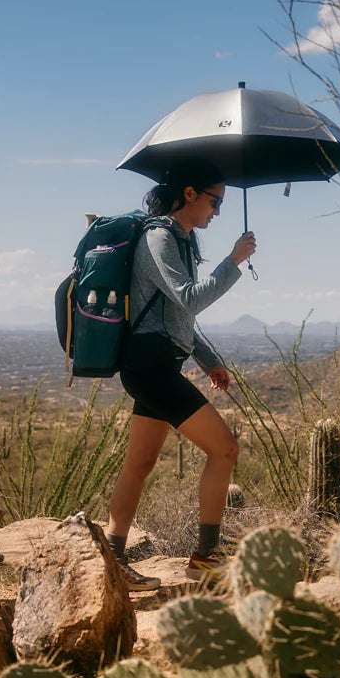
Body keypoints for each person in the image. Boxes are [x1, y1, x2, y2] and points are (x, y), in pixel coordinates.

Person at [105, 158, 256, 590]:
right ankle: (206, 560)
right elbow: (190, 299)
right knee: (225, 449)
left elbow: (177, 317)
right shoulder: (159, 237)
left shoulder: (182, 240)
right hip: (149, 369)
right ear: (189, 194)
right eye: (214, 201)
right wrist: (234, 261)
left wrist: (207, 358)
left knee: (140, 464)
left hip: (154, 365)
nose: (218, 211)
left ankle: (114, 563)